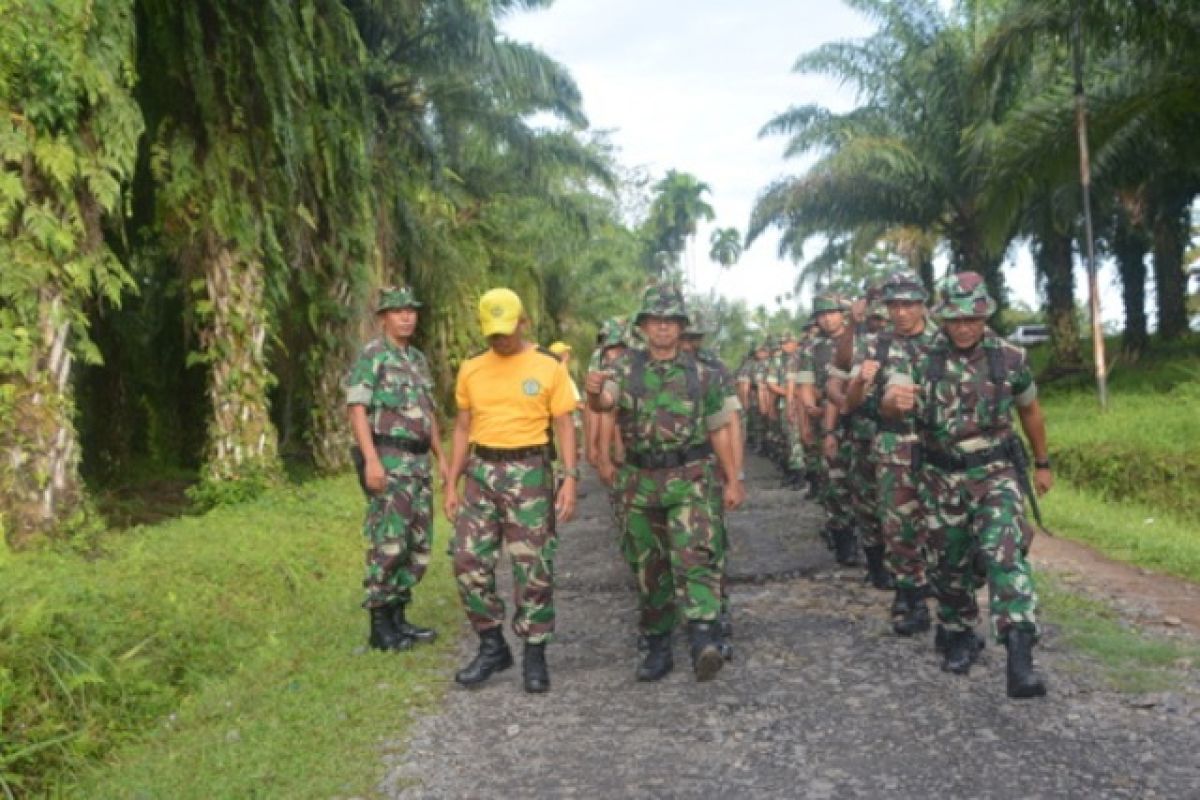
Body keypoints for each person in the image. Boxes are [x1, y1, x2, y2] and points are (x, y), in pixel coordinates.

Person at [882, 272, 1052, 698]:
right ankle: (959, 634)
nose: (964, 327)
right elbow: (891, 401)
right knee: (949, 562)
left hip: (995, 473)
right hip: (940, 477)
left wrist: (1043, 463)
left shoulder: (1009, 358)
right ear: (944, 318)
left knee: (1005, 551)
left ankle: (1019, 654)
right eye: (956, 319)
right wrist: (892, 401)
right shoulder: (920, 357)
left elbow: (1030, 411)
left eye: (972, 319)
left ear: (985, 316)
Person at [587, 284, 745, 683]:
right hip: (640, 482)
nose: (662, 328)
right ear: (642, 327)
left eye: (670, 321)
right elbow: (606, 401)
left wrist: (732, 479)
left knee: (696, 558)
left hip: (690, 478)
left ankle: (703, 639)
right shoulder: (625, 369)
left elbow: (720, 428)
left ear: (680, 326)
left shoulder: (703, 373)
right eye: (655, 321)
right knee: (649, 565)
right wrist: (594, 395)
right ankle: (657, 645)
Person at [444, 288, 579, 693]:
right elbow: (463, 427)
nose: (499, 340)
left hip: (530, 472)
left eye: (506, 331)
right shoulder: (471, 368)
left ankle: (534, 653)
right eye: (492, 334)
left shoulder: (548, 366)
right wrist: (451, 482)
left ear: (523, 323)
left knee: (533, 566)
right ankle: (491, 643)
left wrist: (569, 477)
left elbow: (565, 425)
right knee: (468, 559)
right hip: (481, 472)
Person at [343, 285, 447, 652]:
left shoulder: (417, 359)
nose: (407, 317)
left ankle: (399, 617)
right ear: (383, 317)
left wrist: (443, 459)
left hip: (418, 464)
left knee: (417, 542)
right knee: (389, 541)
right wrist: (371, 460)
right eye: (398, 311)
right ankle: (380, 625)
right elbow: (357, 408)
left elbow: (428, 414)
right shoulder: (373, 356)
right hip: (389, 461)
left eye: (411, 310)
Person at [847, 272, 940, 632]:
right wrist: (860, 381)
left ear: (923, 305)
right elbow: (853, 404)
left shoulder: (943, 342)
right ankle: (911, 597)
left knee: (942, 525)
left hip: (938, 444)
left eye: (909, 305)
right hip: (894, 446)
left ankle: (947, 594)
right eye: (895, 305)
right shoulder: (875, 346)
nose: (901, 312)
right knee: (898, 526)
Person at [679, 312, 743, 656]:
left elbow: (729, 424)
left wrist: (734, 474)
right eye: (684, 338)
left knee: (711, 546)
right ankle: (690, 617)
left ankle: (716, 618)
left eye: (694, 339)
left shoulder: (714, 370)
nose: (688, 345)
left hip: (707, 467)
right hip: (665, 475)